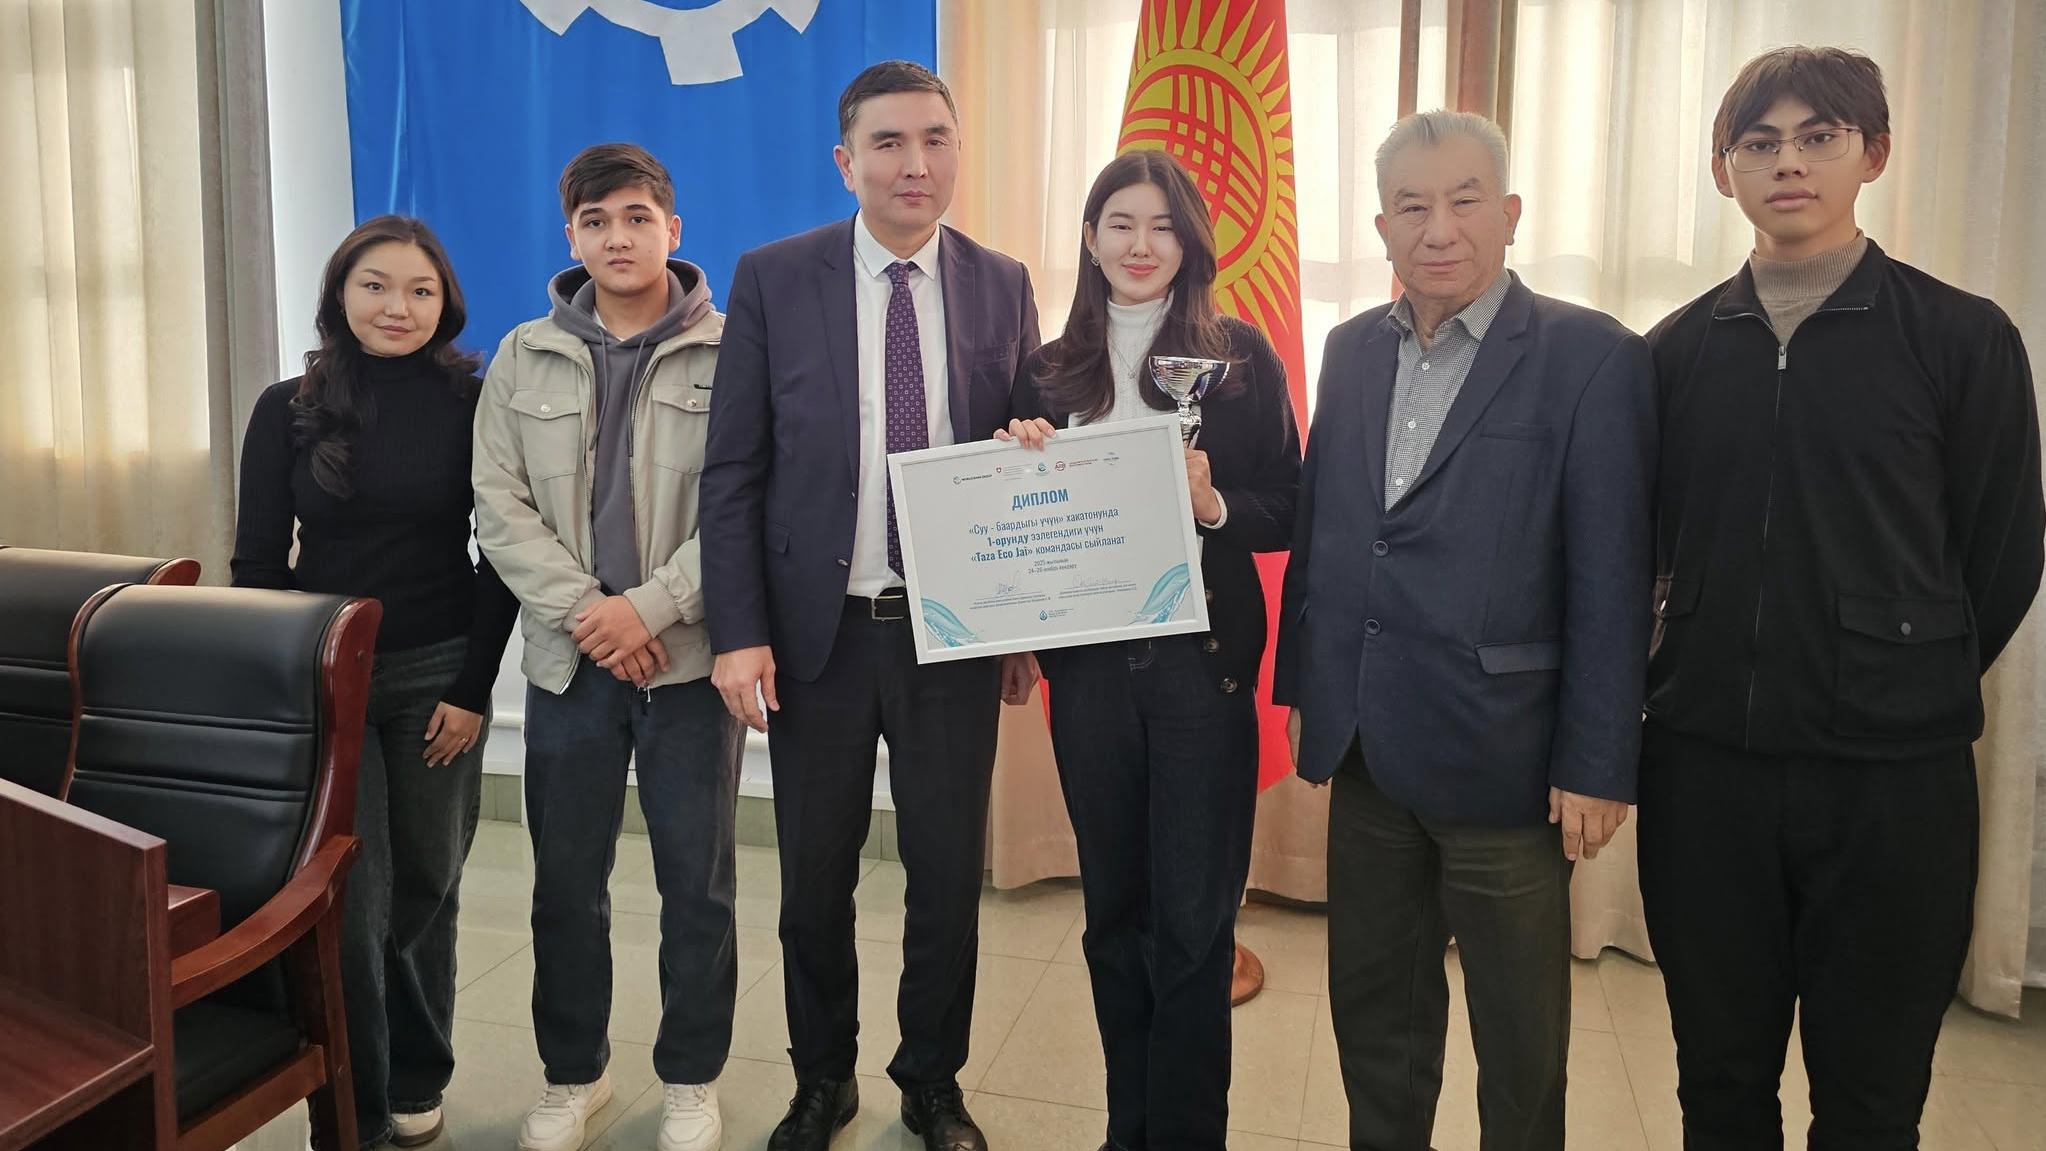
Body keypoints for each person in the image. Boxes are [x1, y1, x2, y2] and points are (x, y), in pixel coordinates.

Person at [1639, 46, 2043, 1149]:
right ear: (1723, 170)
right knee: (1719, 1086)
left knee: (1871, 1101)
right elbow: (1642, 548)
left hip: (1894, 783)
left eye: (1819, 137)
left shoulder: (1962, 337)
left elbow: (2003, 552)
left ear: (1874, 153)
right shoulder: (1671, 354)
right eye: (1760, 142)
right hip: (1705, 772)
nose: (1789, 163)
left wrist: (1895, 662)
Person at [1273, 111, 1656, 1151]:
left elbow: (1613, 579)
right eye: (1412, 206)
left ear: (1511, 212)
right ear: (1382, 227)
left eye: (1464, 200)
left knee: (1519, 1038)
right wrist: (1308, 686)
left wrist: (1599, 761)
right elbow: (1326, 530)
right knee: (1376, 1014)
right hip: (1366, 748)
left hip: (1508, 762)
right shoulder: (1351, 349)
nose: (1437, 228)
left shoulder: (1592, 357)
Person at [699, 60, 1041, 1151]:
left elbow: (1024, 460)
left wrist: (1019, 624)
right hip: (819, 637)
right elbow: (732, 470)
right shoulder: (773, 277)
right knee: (815, 879)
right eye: (889, 142)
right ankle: (822, 1077)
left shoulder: (1002, 283)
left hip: (951, 633)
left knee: (944, 877)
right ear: (846, 162)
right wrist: (740, 631)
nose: (915, 162)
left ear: (957, 152)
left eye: (935, 138)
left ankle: (932, 1080)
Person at [997, 149, 1299, 1151]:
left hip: (1200, 671)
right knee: (1113, 916)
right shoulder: (1046, 368)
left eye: (1164, 226)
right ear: (1090, 238)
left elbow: (1289, 504)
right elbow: (1010, 524)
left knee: (1194, 928)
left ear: (1191, 242)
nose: (1141, 244)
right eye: (1121, 223)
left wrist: (1212, 503)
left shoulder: (1240, 356)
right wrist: (1015, 470)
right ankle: (1127, 1129)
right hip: (1089, 676)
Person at [472, 143, 745, 1151]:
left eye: (636, 217)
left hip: (688, 663)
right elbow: (497, 506)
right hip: (569, 661)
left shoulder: (735, 348)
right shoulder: (523, 354)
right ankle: (572, 1073)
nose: (617, 237)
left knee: (697, 884)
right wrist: (595, 612)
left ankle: (691, 1078)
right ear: (571, 236)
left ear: (673, 228)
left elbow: (747, 500)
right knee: (563, 882)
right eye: (596, 222)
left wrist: (653, 608)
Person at [233, 215, 520, 1149]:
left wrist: (473, 687)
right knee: (351, 898)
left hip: (439, 669)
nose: (398, 306)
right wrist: (293, 688)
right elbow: (257, 563)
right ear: (339, 295)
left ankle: (417, 1073)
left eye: (420, 290)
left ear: (446, 305)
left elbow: (501, 555)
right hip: (328, 673)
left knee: (428, 880)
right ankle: (352, 1099)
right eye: (376, 285)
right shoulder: (287, 407)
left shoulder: (477, 401)